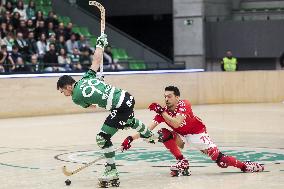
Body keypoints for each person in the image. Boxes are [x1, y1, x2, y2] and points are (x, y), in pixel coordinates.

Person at [57, 34, 156, 187]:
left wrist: (97, 96)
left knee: (102, 138)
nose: (65, 94)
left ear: (68, 86)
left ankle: (111, 170)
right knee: (126, 120)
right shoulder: (86, 78)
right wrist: (100, 44)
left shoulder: (76, 97)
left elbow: (92, 106)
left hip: (120, 106)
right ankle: (149, 134)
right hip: (127, 97)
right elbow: (96, 60)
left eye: (63, 91)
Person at [121, 86, 264, 176]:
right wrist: (130, 139)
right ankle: (182, 161)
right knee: (163, 133)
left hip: (198, 134)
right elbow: (147, 129)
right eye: (165, 96)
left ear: (177, 97)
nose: (166, 99)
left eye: (169, 96)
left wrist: (161, 112)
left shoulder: (184, 104)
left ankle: (245, 166)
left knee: (220, 160)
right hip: (182, 137)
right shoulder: (162, 113)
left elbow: (176, 121)